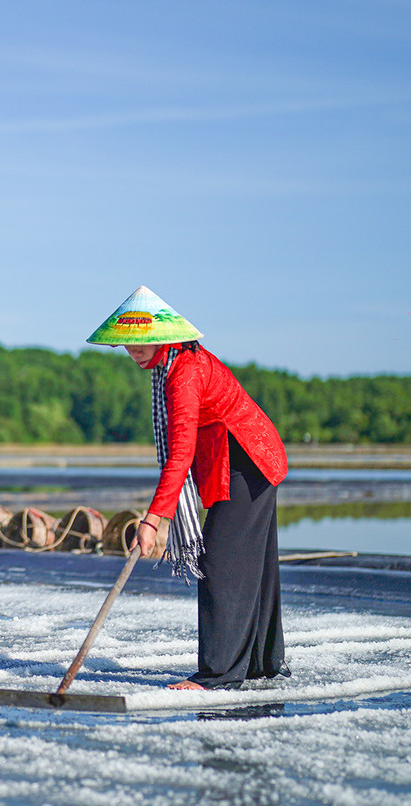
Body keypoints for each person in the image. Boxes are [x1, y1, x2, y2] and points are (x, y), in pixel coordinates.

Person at [87, 285, 290, 690]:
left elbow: (180, 453)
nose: (134, 352)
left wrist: (153, 519)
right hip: (239, 458)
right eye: (128, 345)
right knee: (251, 565)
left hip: (248, 459)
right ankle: (262, 664)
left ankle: (218, 674)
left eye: (141, 343)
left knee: (221, 563)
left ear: (163, 337)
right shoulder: (173, 365)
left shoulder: (184, 373)